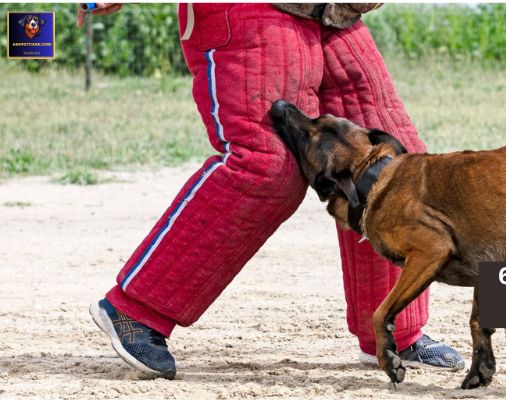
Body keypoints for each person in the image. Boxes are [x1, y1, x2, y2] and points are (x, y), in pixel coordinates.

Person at [79, 3, 464, 379]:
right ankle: (137, 309)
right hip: (252, 12)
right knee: (267, 166)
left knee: (392, 169)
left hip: (335, 14)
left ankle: (392, 329)